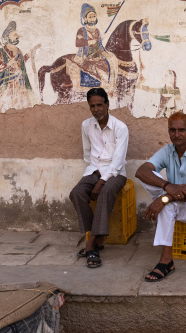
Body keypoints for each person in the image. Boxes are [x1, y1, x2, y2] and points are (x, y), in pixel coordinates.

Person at [136, 112, 186, 282]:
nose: (177, 135)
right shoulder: (168, 150)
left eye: (181, 130)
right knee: (148, 178)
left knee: (166, 204)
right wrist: (167, 186)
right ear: (168, 131)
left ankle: (166, 261)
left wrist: (165, 197)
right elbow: (141, 171)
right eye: (172, 130)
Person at [69, 87, 129, 268]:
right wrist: (94, 175)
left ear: (107, 105)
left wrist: (103, 180)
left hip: (116, 173)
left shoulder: (120, 128)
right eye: (92, 106)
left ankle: (90, 245)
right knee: (77, 193)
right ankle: (99, 237)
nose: (96, 109)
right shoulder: (86, 125)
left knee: (104, 193)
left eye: (99, 105)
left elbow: (118, 161)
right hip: (94, 169)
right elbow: (88, 154)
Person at [0, 21, 38, 113]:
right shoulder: (1, 51)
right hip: (7, 83)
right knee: (5, 106)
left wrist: (27, 55)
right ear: (8, 36)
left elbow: (20, 64)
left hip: (19, 82)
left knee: (21, 106)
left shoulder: (18, 50)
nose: (18, 36)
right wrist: (8, 64)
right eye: (15, 34)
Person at [74, 4, 112, 88]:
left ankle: (106, 85)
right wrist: (89, 42)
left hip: (97, 55)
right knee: (89, 67)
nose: (92, 18)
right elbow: (78, 43)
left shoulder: (97, 31)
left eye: (94, 16)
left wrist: (106, 53)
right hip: (86, 56)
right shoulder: (82, 30)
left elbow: (100, 46)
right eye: (90, 17)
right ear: (85, 19)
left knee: (107, 65)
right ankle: (88, 86)